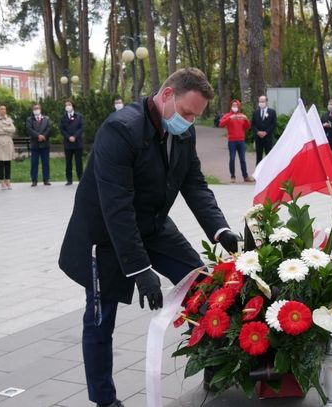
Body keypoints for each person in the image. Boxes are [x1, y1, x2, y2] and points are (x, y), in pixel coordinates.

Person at [59, 68, 240, 407]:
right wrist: (140, 269)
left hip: (153, 226)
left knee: (203, 288)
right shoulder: (121, 129)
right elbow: (117, 208)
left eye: (196, 117)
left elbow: (195, 185)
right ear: (167, 94)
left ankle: (216, 367)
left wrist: (220, 230)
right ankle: (104, 400)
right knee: (100, 318)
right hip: (106, 236)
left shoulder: (183, 135)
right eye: (186, 113)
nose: (188, 122)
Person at [219, 99, 255, 183]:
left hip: (241, 141)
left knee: (242, 159)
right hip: (232, 141)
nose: (234, 107)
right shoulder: (228, 115)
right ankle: (232, 176)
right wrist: (229, 118)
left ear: (239, 106)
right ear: (231, 106)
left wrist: (246, 119)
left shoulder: (242, 116)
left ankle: (245, 176)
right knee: (232, 158)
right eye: (233, 105)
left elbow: (247, 127)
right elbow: (221, 124)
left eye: (236, 105)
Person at [26, 103, 52, 186]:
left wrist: (44, 136)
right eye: (34, 109)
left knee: (46, 163)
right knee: (34, 163)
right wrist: (38, 136)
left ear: (40, 109)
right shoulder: (30, 119)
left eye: (37, 108)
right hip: (35, 144)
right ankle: (34, 180)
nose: (36, 110)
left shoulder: (46, 119)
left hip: (45, 144)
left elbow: (49, 128)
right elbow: (29, 129)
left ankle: (46, 179)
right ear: (32, 110)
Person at [60, 100, 84, 185]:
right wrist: (69, 137)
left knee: (78, 162)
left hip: (77, 142)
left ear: (73, 106)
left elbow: (81, 128)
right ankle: (69, 179)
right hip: (68, 143)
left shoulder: (79, 116)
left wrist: (75, 136)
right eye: (66, 105)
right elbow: (62, 129)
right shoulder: (63, 117)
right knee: (68, 162)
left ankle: (81, 178)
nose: (67, 106)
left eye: (69, 104)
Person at [0, 104, 16, 190]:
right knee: (1, 163)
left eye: (4, 109)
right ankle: (2, 182)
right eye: (1, 109)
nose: (3, 110)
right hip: (0, 144)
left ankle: (8, 181)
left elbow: (13, 129)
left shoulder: (9, 119)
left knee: (8, 163)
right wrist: (7, 129)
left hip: (8, 143)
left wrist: (4, 128)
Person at [251, 95, 277, 165]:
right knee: (258, 157)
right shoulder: (255, 113)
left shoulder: (272, 112)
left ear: (266, 102)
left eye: (263, 101)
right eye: (260, 101)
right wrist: (257, 132)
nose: (261, 103)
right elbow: (253, 125)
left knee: (269, 157)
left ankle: (269, 173)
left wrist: (266, 132)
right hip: (258, 139)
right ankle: (258, 174)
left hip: (268, 139)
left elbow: (273, 124)